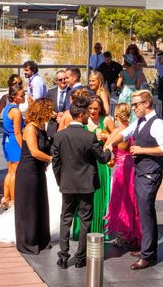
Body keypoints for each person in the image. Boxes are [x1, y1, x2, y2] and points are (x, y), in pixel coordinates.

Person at [105, 90, 163, 270]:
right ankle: (148, 249)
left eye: (136, 104)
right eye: (133, 105)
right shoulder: (140, 122)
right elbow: (125, 133)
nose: (133, 108)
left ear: (146, 104)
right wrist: (112, 141)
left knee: (146, 213)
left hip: (150, 174)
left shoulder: (158, 124)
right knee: (146, 213)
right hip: (141, 173)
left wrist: (141, 150)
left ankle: (147, 255)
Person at [52, 96, 112, 269]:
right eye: (86, 113)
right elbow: (102, 158)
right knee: (85, 220)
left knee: (66, 219)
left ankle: (63, 256)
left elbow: (56, 163)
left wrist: (60, 180)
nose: (88, 115)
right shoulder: (89, 137)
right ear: (81, 115)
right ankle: (80, 257)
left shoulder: (60, 136)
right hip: (86, 185)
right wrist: (108, 149)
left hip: (67, 184)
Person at [71, 97, 114, 240]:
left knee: (100, 197)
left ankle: (99, 230)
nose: (92, 111)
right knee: (83, 199)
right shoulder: (83, 121)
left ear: (100, 108)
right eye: (90, 108)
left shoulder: (106, 120)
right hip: (84, 164)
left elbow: (117, 137)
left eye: (96, 108)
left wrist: (106, 137)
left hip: (101, 164)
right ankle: (81, 232)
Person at [14, 98, 53, 254]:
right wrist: (52, 159)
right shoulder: (30, 128)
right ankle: (27, 242)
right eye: (49, 110)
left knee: (39, 204)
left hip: (38, 171)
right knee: (28, 207)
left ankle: (40, 238)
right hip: (28, 172)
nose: (51, 113)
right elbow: (35, 152)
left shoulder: (42, 127)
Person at [104, 103, 141, 249]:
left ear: (116, 115)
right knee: (132, 201)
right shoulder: (132, 128)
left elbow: (111, 147)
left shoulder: (119, 131)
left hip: (122, 169)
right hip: (131, 166)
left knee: (121, 202)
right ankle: (132, 233)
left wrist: (106, 138)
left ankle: (122, 235)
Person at [0, 84, 25, 209]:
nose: (24, 97)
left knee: (10, 171)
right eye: (22, 95)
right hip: (14, 142)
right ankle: (14, 201)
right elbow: (17, 132)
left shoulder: (7, 108)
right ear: (15, 97)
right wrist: (24, 147)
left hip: (7, 141)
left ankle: (6, 197)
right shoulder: (16, 111)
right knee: (15, 172)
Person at [117, 54, 145, 123]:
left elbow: (118, 84)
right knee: (133, 111)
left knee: (123, 111)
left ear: (126, 62)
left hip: (125, 92)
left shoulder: (123, 72)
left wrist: (123, 86)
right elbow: (138, 85)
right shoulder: (138, 72)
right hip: (134, 93)